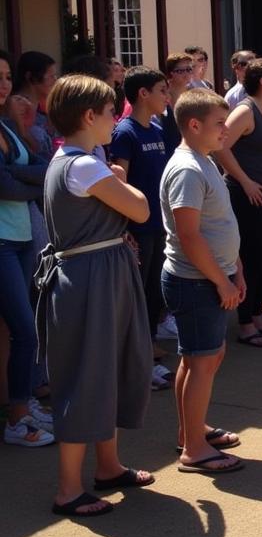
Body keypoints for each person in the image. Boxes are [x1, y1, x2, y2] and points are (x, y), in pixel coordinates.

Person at [36, 75, 155, 516]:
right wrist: (121, 177)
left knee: (111, 367)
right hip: (91, 278)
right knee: (87, 374)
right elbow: (140, 208)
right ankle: (68, 489)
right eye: (109, 112)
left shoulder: (73, 159)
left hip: (100, 272)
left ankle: (108, 467)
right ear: (89, 116)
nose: (115, 120)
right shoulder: (84, 166)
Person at [160, 89, 245, 474]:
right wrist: (222, 283)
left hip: (211, 278)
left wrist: (236, 271)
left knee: (200, 358)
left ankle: (190, 431)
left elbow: (220, 223)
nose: (226, 130)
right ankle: (194, 449)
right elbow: (189, 235)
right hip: (196, 282)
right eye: (219, 124)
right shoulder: (187, 169)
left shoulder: (204, 160)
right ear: (194, 125)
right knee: (202, 361)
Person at [215, 57, 262, 347]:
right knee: (252, 258)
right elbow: (219, 146)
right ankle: (245, 322)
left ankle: (257, 314)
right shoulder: (245, 111)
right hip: (246, 196)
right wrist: (245, 181)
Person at [109, 66, 174, 389]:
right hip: (138, 228)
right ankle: (137, 364)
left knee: (152, 292)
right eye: (162, 90)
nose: (168, 96)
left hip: (159, 224)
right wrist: (126, 228)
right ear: (143, 94)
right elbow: (120, 182)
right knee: (138, 296)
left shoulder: (158, 128)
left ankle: (147, 349)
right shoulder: (125, 132)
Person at [0, 50, 52, 448]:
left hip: (21, 239)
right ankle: (17, 419)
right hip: (2, 243)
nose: (3, 85)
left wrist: (17, 173)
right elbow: (7, 187)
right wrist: (22, 177)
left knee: (26, 328)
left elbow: (45, 165)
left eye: (5, 76)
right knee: (24, 330)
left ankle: (24, 402)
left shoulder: (9, 125)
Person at [13, 50, 57, 158]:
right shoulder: (16, 107)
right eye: (51, 76)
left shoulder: (43, 106)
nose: (55, 80)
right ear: (30, 76)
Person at [161, 52, 196, 154]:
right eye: (181, 71)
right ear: (170, 73)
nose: (186, 74)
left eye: (189, 70)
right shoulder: (162, 97)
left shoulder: (192, 96)